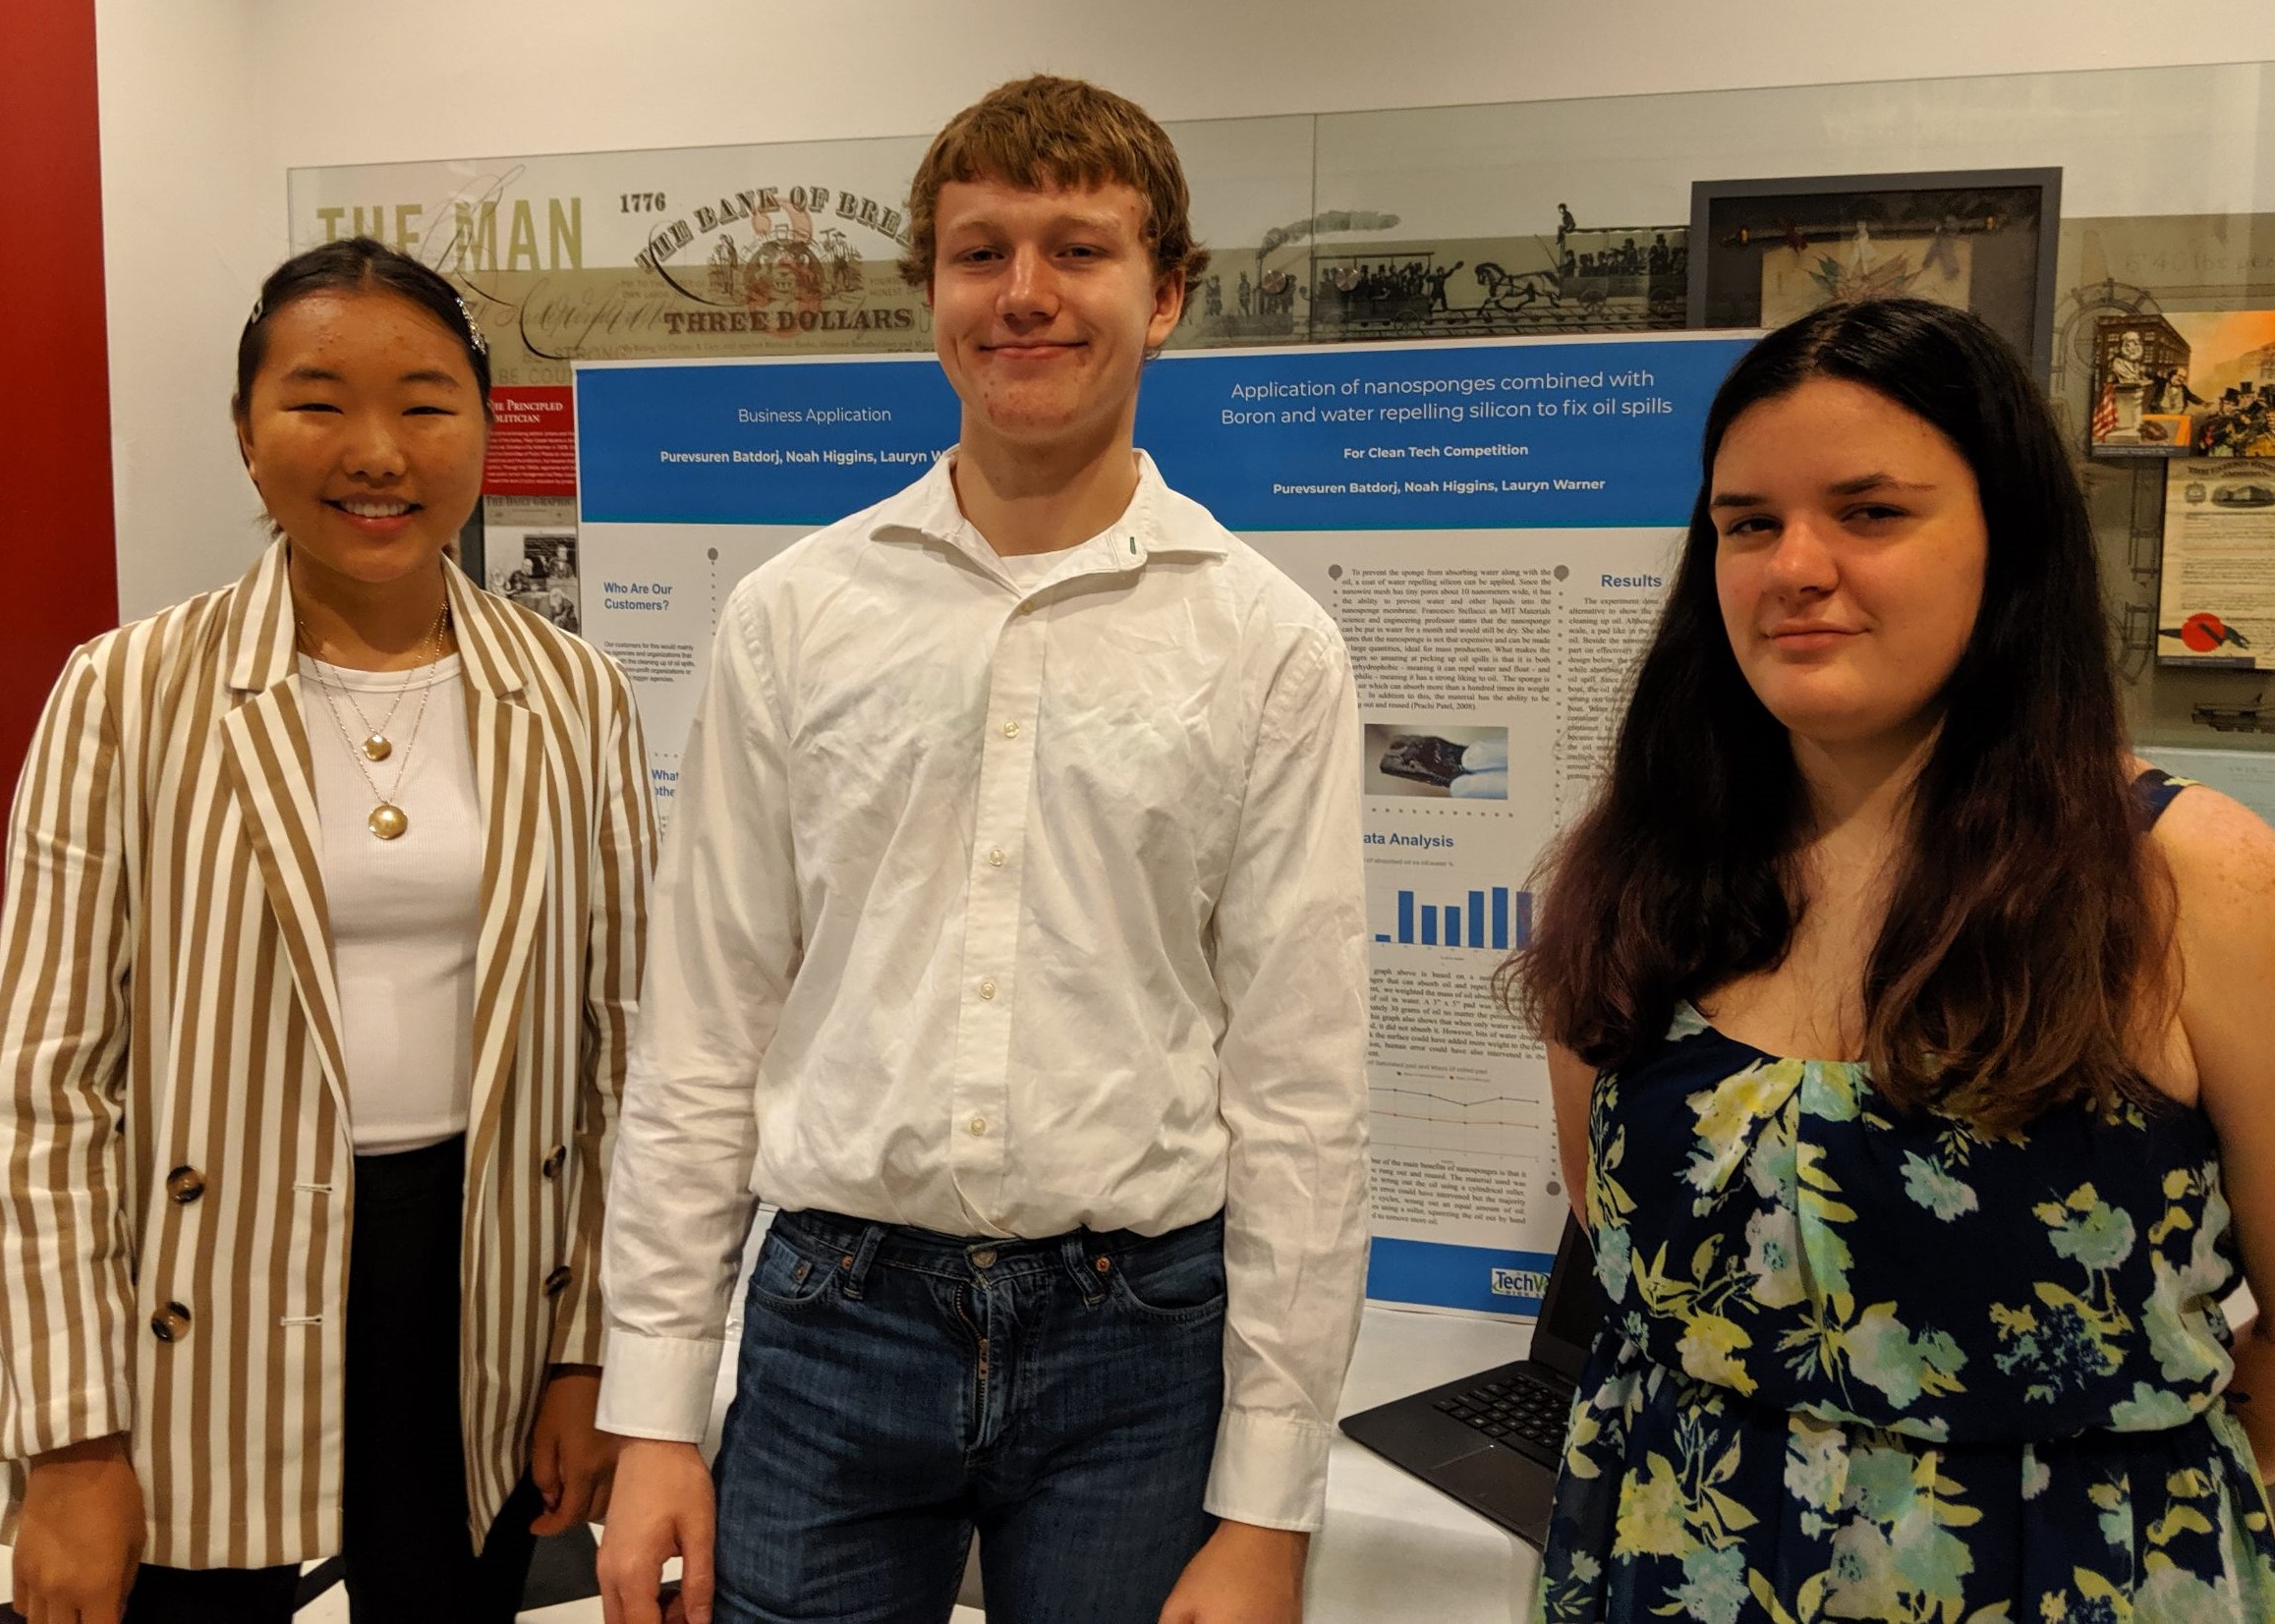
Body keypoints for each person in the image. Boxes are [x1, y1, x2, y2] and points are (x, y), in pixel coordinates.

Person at [594, 75, 1369, 1624]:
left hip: (1138, 1348)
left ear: (1166, 294)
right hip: (831, 1322)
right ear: (929, 292)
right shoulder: (794, 618)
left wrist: (1271, 1505)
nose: (1023, 293)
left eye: (1077, 249)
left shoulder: (1267, 642)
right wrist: (656, 1413)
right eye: (979, 251)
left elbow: (1300, 1092)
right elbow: (702, 1037)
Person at [1508, 296, 2275, 1620]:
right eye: (1748, 522)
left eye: (1869, 512)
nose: (1793, 565)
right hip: (1669, 1565)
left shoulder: (2188, 878)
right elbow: (1613, 1231)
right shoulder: (1639, 869)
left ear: (2007, 541)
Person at [0, 237, 656, 1624]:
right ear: (247, 434)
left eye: (425, 402)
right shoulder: (126, 692)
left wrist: (593, 1353)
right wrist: (65, 1436)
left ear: (486, 425)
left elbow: (623, 1061)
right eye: (316, 401)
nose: (377, 450)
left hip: (477, 1280)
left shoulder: (574, 694)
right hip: (201, 1287)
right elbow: (46, 1092)